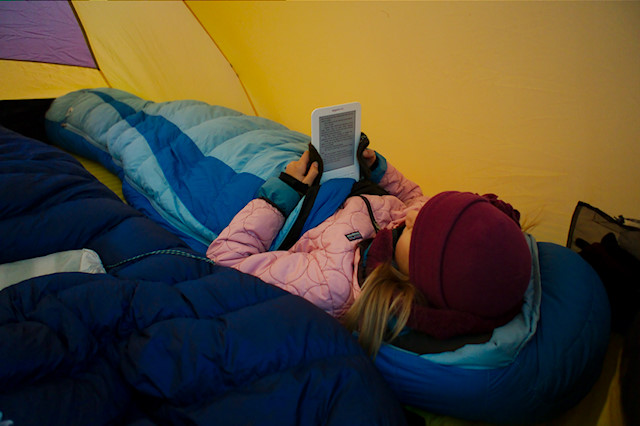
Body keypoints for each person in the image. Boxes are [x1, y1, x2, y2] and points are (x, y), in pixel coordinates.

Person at [207, 147, 532, 357]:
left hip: (290, 203)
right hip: (344, 187)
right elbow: (415, 198)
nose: (414, 214)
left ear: (416, 275)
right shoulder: (405, 229)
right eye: (430, 210)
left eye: (418, 228)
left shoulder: (331, 284)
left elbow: (224, 262)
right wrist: (378, 169)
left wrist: (283, 192)